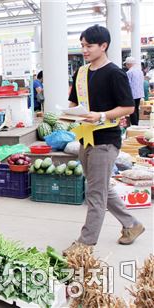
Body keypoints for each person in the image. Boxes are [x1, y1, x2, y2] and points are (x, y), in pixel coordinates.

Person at [64, 25, 144, 255]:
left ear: (103, 46)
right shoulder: (81, 72)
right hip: (85, 138)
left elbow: (128, 107)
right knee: (102, 189)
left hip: (106, 141)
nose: (84, 50)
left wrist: (101, 115)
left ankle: (85, 243)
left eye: (88, 46)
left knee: (95, 194)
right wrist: (68, 114)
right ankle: (132, 225)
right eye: (82, 45)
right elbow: (73, 103)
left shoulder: (115, 73)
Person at [124, 57, 144, 125]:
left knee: (132, 110)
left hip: (132, 94)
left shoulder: (129, 72)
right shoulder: (140, 71)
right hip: (139, 93)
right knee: (136, 109)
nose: (126, 65)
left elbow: (127, 84)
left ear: (128, 64)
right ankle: (137, 123)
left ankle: (134, 125)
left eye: (126, 64)